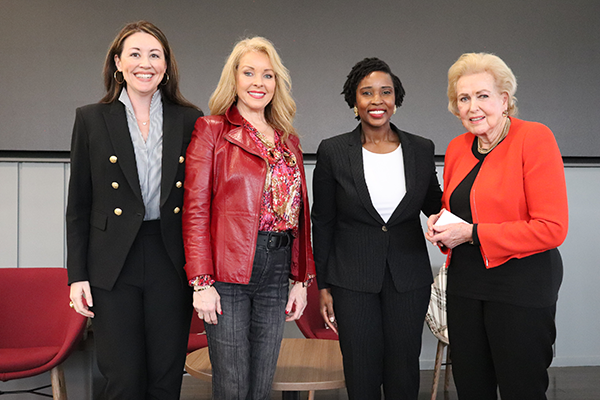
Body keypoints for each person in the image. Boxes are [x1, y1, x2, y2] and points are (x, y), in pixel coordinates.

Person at [66, 21, 203, 400]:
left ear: (166, 65)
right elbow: (78, 205)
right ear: (118, 63)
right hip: (113, 263)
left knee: (165, 376)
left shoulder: (190, 119)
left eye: (155, 55)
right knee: (121, 378)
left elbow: (198, 204)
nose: (146, 63)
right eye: (136, 54)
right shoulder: (91, 118)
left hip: (170, 258)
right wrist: (77, 275)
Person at [425, 53, 568, 400]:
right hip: (466, 286)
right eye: (463, 98)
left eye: (482, 95)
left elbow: (551, 228)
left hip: (522, 285)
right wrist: (441, 225)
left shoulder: (534, 138)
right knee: (473, 388)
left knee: (522, 388)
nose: (473, 107)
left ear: (504, 100)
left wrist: (472, 233)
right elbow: (456, 208)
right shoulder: (458, 148)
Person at [182, 37, 315, 400]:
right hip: (228, 271)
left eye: (268, 75)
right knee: (233, 383)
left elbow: (299, 214)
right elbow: (195, 210)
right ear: (235, 79)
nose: (259, 82)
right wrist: (201, 282)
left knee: (261, 384)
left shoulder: (289, 141)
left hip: (276, 268)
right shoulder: (212, 130)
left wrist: (301, 279)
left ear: (277, 83)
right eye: (249, 72)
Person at [311, 57, 442, 400]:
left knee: (403, 369)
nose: (377, 100)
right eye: (366, 93)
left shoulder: (421, 148)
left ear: (395, 100)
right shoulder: (334, 151)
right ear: (354, 102)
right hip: (351, 279)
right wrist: (323, 285)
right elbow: (322, 221)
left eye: (385, 92)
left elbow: (436, 204)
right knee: (361, 369)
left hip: (408, 277)